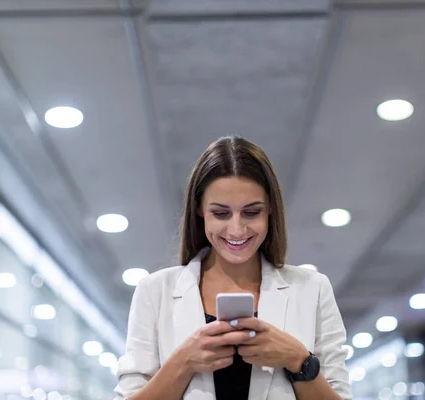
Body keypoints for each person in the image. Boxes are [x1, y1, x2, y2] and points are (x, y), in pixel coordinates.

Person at [114, 136, 352, 400]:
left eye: (252, 213)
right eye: (221, 213)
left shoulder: (312, 289)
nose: (237, 229)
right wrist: (183, 362)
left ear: (270, 210)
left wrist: (298, 360)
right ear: (200, 210)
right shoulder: (154, 291)